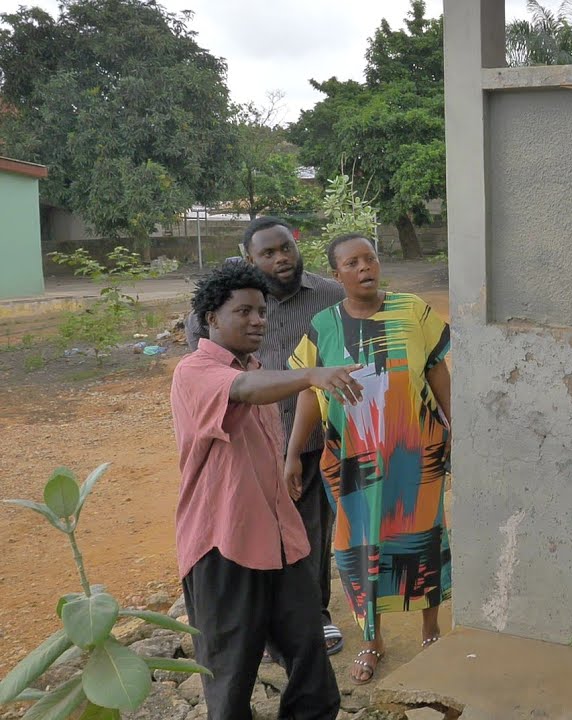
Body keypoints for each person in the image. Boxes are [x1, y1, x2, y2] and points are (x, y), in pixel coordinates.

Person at [170, 261, 364, 720]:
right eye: (244, 312)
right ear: (212, 318)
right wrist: (312, 375)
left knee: (310, 660)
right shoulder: (195, 371)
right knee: (230, 676)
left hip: (280, 540)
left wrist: (291, 459)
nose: (258, 320)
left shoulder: (257, 367)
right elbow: (243, 389)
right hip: (223, 546)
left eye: (261, 311)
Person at [286, 233, 453, 685]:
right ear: (336, 274)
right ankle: (371, 639)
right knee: (358, 546)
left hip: (416, 453)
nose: (365, 268)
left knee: (424, 538)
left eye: (370, 258)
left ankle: (431, 631)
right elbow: (308, 391)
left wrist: (454, 425)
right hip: (351, 460)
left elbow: (436, 368)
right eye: (352, 263)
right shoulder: (323, 326)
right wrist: (293, 453)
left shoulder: (412, 311)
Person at [186, 216, 348, 656]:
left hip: (310, 438)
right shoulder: (227, 302)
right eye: (268, 253)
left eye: (286, 248)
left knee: (310, 533)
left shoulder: (329, 295)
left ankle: (314, 617)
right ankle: (259, 627)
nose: (281, 259)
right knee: (253, 534)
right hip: (250, 444)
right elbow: (208, 364)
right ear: (249, 258)